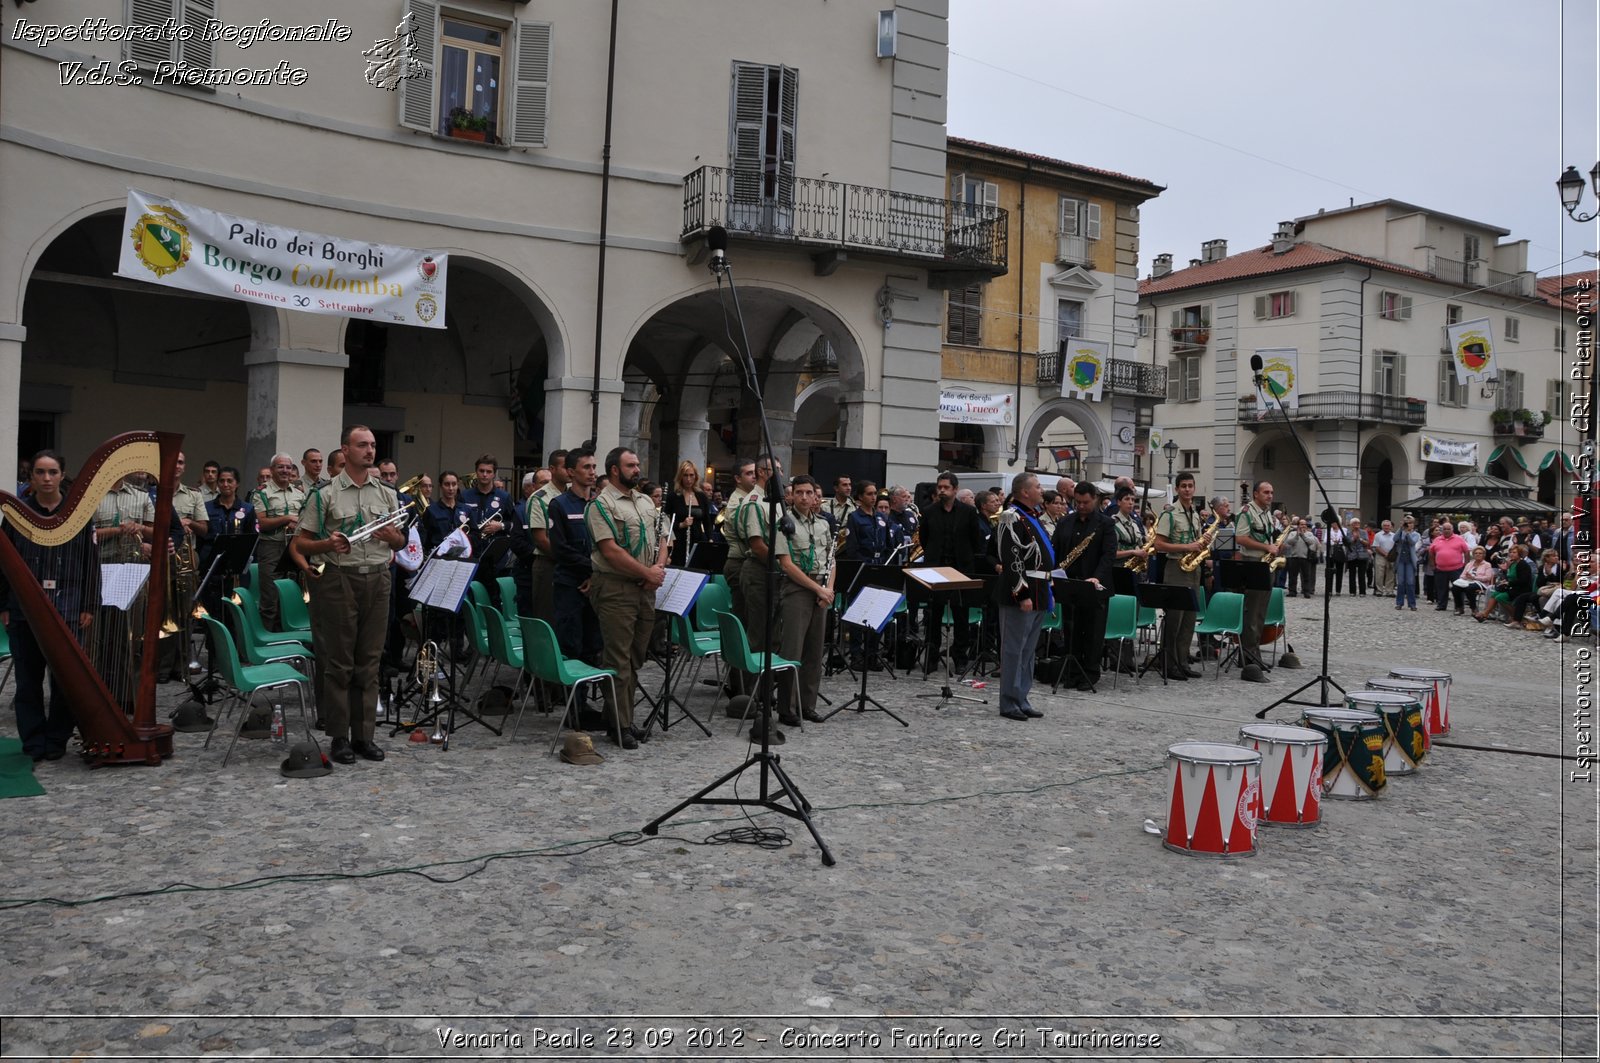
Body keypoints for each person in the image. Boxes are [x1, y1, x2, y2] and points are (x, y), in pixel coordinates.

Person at [293, 426, 404, 765]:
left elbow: (400, 542)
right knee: (339, 661)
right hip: (340, 578)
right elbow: (301, 542)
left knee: (369, 661)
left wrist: (393, 537)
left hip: (378, 578)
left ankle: (364, 737)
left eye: (372, 446)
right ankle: (339, 736)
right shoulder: (325, 493)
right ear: (345, 449)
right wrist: (327, 544)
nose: (370, 451)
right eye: (362, 445)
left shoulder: (386, 492)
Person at [0, 451, 100, 761]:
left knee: (65, 681)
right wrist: (3, 604)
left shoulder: (78, 514)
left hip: (68, 608)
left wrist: (88, 605)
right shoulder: (17, 514)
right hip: (22, 610)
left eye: (52, 472)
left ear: (61, 475)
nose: (46, 478)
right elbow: (3, 562)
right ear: (31, 478)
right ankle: (33, 741)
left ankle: (56, 739)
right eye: (40, 472)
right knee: (28, 683)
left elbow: (90, 563)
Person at [586, 447, 667, 750]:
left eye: (638, 463)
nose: (637, 469)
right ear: (615, 470)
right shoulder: (601, 505)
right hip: (616, 588)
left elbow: (662, 537)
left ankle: (618, 717)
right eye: (631, 465)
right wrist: (648, 574)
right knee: (618, 658)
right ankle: (621, 726)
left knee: (635, 657)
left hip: (645, 588)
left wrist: (658, 567)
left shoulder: (645, 501)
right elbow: (610, 551)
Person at [738, 461, 793, 737]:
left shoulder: (775, 502)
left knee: (774, 636)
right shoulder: (755, 502)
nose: (780, 475)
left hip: (774, 572)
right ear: (762, 473)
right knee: (759, 635)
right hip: (760, 571)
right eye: (775, 470)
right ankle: (754, 696)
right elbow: (757, 544)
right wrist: (783, 564)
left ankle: (767, 690)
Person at [994, 473, 1054, 721]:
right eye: (1038, 487)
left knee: (1028, 651)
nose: (1042, 491)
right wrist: (1022, 594)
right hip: (1021, 591)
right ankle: (1009, 701)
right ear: (1025, 492)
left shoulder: (1032, 517)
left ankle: (1022, 697)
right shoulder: (1011, 516)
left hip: (1039, 588)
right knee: (1013, 650)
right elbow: (1011, 559)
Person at [776, 475, 834, 724]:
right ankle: (786, 708)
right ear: (791, 495)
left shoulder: (823, 524)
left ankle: (807, 705)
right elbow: (787, 565)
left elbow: (832, 559)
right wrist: (817, 589)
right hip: (798, 588)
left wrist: (828, 589)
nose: (804, 497)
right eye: (798, 492)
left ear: (815, 496)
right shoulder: (784, 523)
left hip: (821, 588)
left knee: (814, 651)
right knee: (792, 650)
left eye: (809, 492)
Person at [916, 471, 986, 672]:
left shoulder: (968, 512)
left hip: (960, 568)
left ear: (955, 489)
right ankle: (932, 654)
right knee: (933, 613)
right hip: (936, 568)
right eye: (940, 487)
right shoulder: (929, 511)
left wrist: (965, 557)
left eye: (946, 487)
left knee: (961, 614)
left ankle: (960, 656)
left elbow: (975, 540)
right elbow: (924, 538)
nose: (942, 490)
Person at [1051, 481, 1115, 692]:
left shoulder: (1105, 523)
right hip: (1070, 584)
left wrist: (1097, 577)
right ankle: (1073, 672)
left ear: (1094, 499)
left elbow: (1108, 555)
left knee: (1094, 632)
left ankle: (1090, 673)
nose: (1081, 506)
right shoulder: (1065, 522)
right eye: (1077, 502)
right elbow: (1058, 551)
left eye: (1085, 502)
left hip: (1095, 587)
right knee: (1072, 630)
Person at [547, 447, 605, 677]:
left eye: (594, 467)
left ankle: (588, 697)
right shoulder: (559, 505)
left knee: (593, 644)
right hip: (570, 584)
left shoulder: (599, 504)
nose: (592, 472)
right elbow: (561, 550)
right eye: (586, 467)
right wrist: (592, 568)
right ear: (571, 472)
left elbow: (605, 545)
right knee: (571, 644)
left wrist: (594, 574)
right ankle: (574, 703)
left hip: (594, 583)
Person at [1152, 471, 1205, 682]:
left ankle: (1183, 662)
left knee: (1189, 619)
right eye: (1183, 486)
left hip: (1193, 568)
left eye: (1190, 486)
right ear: (1177, 489)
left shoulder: (1194, 513)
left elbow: (1196, 540)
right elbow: (1159, 545)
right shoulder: (1170, 513)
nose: (1187, 489)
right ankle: (1170, 663)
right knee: (1175, 618)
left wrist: (1201, 544)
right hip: (1176, 566)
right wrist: (1188, 546)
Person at [250, 453, 306, 631]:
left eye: (288, 467)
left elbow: (306, 520)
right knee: (269, 601)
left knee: (292, 599)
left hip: (295, 548)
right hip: (271, 548)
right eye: (280, 467)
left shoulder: (299, 494)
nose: (285, 470)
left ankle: (291, 642)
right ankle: (266, 642)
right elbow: (262, 523)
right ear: (272, 469)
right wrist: (287, 518)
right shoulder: (261, 493)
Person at [1232, 480, 1278, 683]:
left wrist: (1273, 547)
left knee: (1261, 612)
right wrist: (1266, 547)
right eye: (1266, 492)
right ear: (1256, 494)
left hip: (1265, 562)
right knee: (1252, 612)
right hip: (1253, 562)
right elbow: (1240, 538)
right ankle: (1248, 656)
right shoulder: (1247, 512)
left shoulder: (1267, 513)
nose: (1270, 495)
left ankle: (1254, 653)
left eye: (1271, 492)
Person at [524, 449, 568, 623]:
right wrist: (568, 558)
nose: (570, 471)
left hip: (567, 565)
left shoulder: (571, 496)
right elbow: (541, 539)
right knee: (546, 617)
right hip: (548, 563)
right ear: (553, 469)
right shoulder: (540, 498)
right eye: (566, 467)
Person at [663, 459, 712, 568]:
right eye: (685, 475)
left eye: (691, 475)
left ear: (696, 477)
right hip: (679, 542)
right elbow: (665, 523)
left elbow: (707, 521)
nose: (689, 479)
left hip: (697, 541)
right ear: (680, 477)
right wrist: (681, 525)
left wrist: (710, 538)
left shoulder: (701, 496)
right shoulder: (673, 496)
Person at [1428, 521, 1470, 613]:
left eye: (1448, 529)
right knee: (1441, 588)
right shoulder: (1437, 539)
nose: (1446, 531)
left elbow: (1466, 551)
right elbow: (1431, 552)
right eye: (1445, 529)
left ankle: (1459, 606)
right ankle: (1441, 605)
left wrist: (1466, 565)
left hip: (1456, 568)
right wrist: (1432, 565)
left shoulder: (1459, 539)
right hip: (1440, 569)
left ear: (1452, 530)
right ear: (1442, 530)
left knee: (1458, 588)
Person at [1456, 545, 1497, 614]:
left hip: (1481, 583)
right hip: (1468, 581)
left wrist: (1474, 577)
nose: (1478, 555)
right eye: (1476, 553)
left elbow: (1488, 578)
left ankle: (1473, 608)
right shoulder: (1469, 564)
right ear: (1473, 555)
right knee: (1455, 587)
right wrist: (1466, 577)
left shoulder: (1487, 564)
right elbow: (1462, 575)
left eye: (1480, 553)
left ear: (1484, 555)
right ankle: (1460, 607)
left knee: (1469, 588)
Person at [1283, 517, 1318, 598]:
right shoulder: (1293, 533)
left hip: (1305, 558)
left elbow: (1311, 542)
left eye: (1305, 524)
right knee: (1292, 576)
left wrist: (1302, 535)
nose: (1303, 526)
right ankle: (1292, 591)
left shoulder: (1310, 534)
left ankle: (1306, 591)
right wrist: (1297, 535)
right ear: (1298, 525)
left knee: (1306, 576)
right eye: (1301, 524)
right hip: (1294, 557)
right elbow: (1289, 542)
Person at [1391, 517, 1421, 611]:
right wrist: (1400, 529)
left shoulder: (1416, 534)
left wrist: (1408, 534)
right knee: (1401, 582)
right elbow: (1395, 539)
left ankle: (1412, 604)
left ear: (1413, 524)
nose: (1409, 525)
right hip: (1400, 560)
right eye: (1407, 523)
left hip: (1410, 560)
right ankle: (1399, 603)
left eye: (1411, 523)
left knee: (1410, 582)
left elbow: (1412, 543)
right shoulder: (1400, 532)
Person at [1344, 519, 1370, 596]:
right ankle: (1352, 591)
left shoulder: (1363, 532)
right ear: (1351, 524)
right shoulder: (1348, 532)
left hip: (1362, 555)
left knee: (1362, 574)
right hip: (1352, 555)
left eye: (1358, 523)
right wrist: (1353, 539)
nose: (1357, 524)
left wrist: (1360, 539)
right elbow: (1347, 543)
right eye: (1355, 523)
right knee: (1352, 574)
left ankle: (1362, 592)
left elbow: (1367, 543)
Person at [1371, 519, 1396, 596]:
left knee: (1390, 574)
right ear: (1382, 526)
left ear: (1391, 527)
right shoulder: (1378, 535)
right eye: (1385, 526)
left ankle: (1389, 590)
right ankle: (1379, 590)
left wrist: (1390, 555)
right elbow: (1376, 546)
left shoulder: (1394, 535)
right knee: (1379, 574)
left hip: (1391, 557)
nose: (1386, 527)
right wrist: (1385, 554)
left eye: (1388, 526)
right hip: (1380, 556)